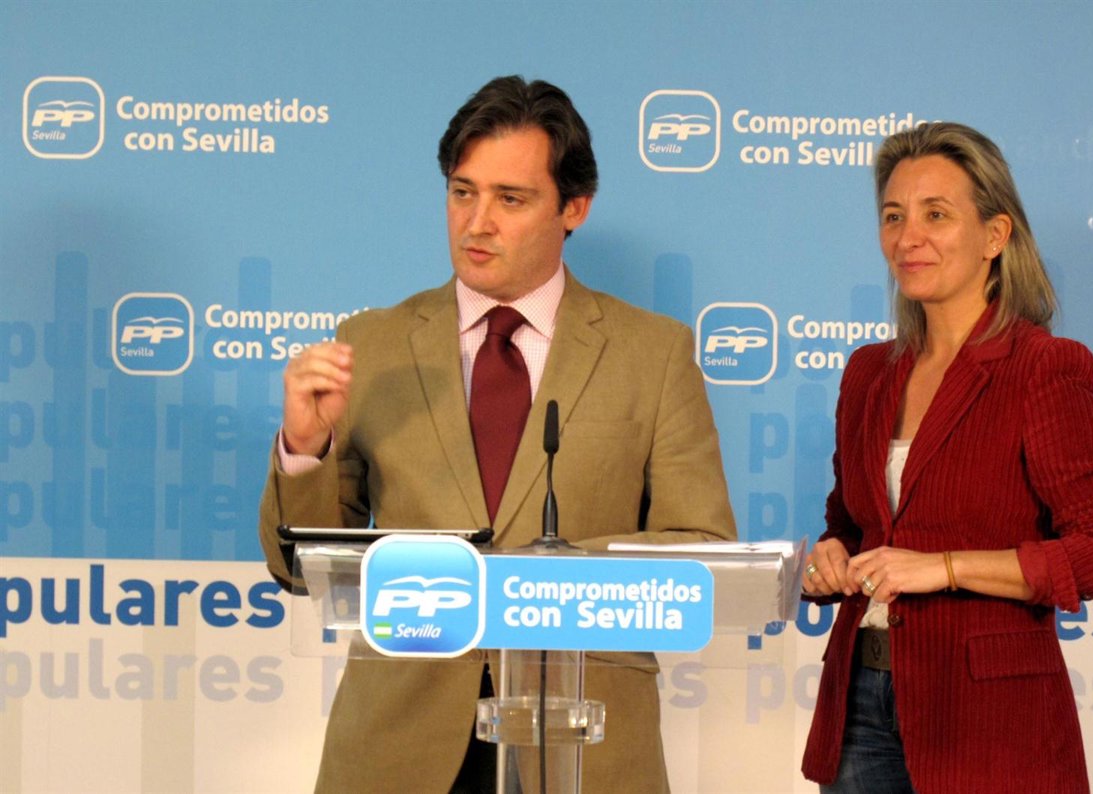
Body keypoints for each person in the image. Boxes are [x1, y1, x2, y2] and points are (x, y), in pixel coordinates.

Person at [258, 75, 736, 793]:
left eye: (510, 199)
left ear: (574, 208)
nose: (476, 222)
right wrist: (305, 450)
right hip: (399, 744)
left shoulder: (653, 353)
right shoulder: (372, 345)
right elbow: (300, 568)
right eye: (462, 192)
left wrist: (534, 576)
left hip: (584, 740)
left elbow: (700, 548)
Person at [800, 122, 1093, 793]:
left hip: (990, 721)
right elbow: (852, 525)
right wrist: (830, 558)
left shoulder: (1044, 368)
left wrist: (945, 568)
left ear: (994, 235)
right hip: (860, 701)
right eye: (893, 216)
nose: (908, 238)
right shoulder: (868, 373)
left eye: (936, 215)